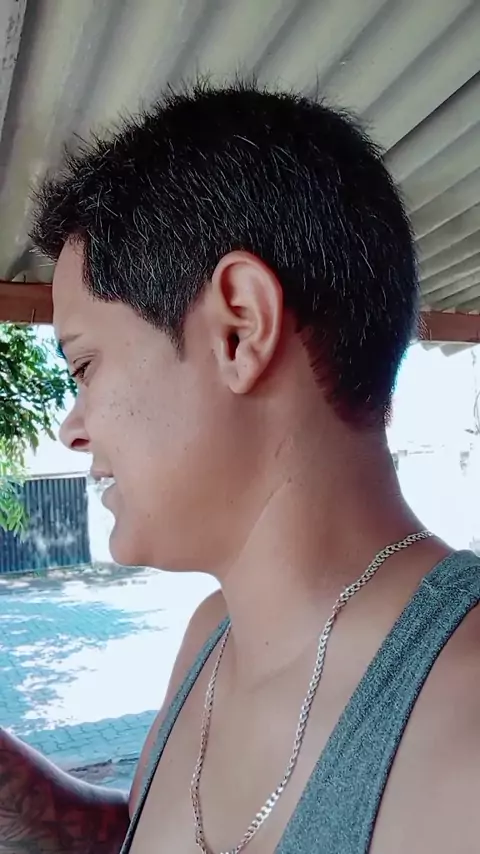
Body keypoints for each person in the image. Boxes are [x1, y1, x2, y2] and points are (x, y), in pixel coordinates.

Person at [1, 80, 479, 854]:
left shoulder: (464, 719)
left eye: (84, 365)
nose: (72, 428)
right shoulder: (211, 636)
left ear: (240, 329)